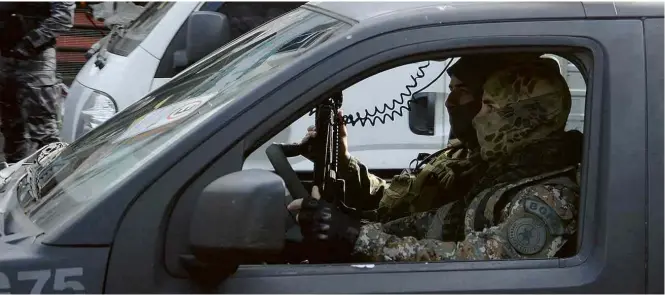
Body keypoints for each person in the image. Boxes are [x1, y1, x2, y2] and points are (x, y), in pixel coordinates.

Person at [290, 57, 581, 262]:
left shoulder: (545, 197)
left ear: (524, 120)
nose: (479, 116)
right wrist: (350, 228)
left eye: (489, 106)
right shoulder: (501, 172)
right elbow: (423, 222)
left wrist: (355, 236)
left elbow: (475, 263)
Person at [300, 54, 542, 223]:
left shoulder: (489, 176)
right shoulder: (459, 154)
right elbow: (394, 200)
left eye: (463, 91)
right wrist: (342, 159)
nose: (450, 101)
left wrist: (350, 232)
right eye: (451, 89)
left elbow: (425, 235)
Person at [0, 2, 75, 163]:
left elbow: (63, 18)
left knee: (43, 131)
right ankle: (15, 177)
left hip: (36, 61)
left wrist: (28, 44)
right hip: (5, 59)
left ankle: (55, 180)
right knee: (11, 128)